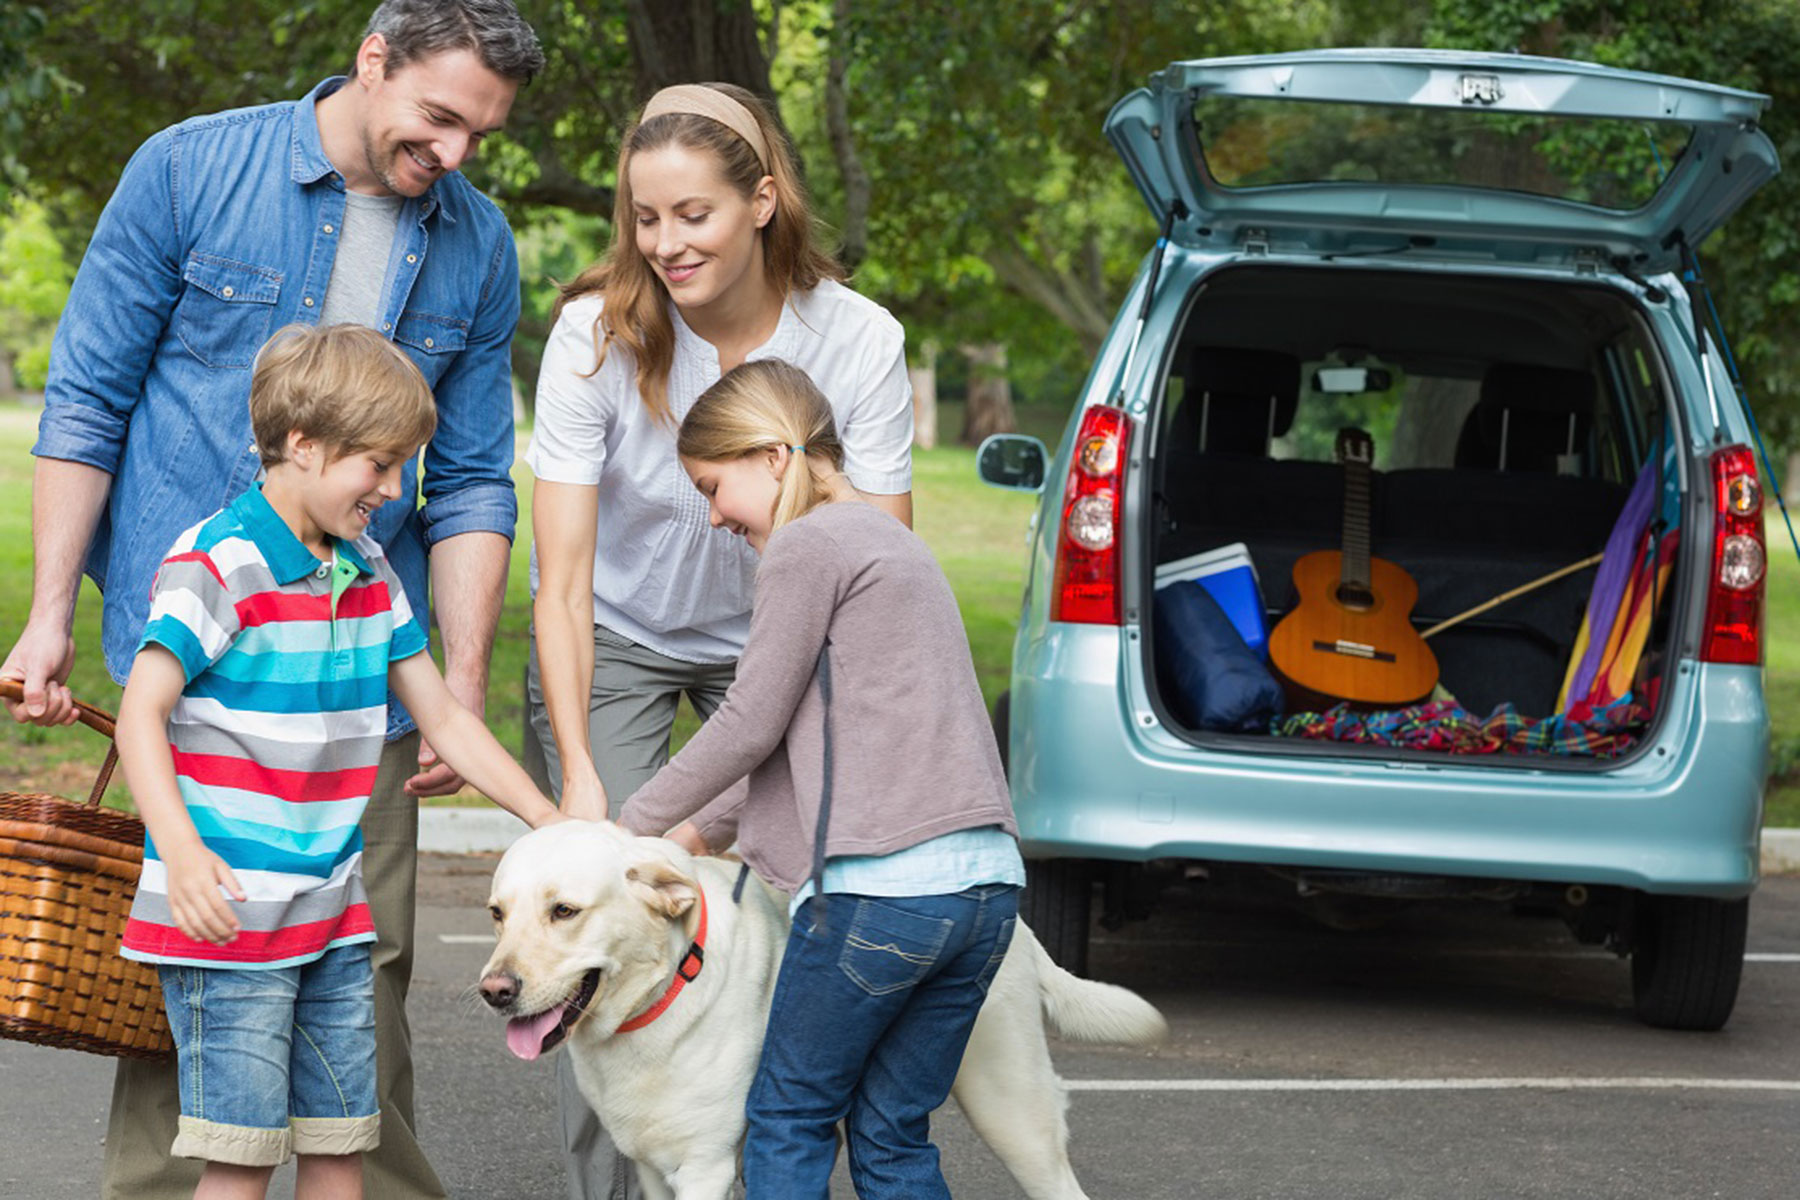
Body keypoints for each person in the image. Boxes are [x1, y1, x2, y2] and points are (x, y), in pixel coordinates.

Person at [0, 3, 544, 1196]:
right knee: (188, 968)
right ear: (370, 61)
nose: (453, 153)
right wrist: (47, 613)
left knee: (368, 965)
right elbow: (86, 399)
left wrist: (457, 679)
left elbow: (465, 482)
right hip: (202, 661)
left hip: (363, 659)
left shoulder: (480, 244)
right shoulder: (190, 170)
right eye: (439, 116)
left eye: (480, 134)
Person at [524, 82, 915, 1196]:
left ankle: (766, 1162)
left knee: (797, 900)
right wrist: (585, 780)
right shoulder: (595, 335)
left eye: (691, 214)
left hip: (781, 645)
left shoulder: (857, 337)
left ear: (762, 199)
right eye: (646, 218)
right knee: (594, 922)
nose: (665, 242)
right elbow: (561, 584)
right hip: (625, 639)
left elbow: (870, 585)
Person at [115, 324, 563, 1200]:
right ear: (304, 445)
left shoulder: (365, 572)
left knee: (338, 1143)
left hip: (330, 913)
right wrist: (182, 850)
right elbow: (142, 712)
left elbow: (443, 717)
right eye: (379, 465)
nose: (395, 491)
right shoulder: (218, 562)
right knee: (240, 1157)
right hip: (229, 921)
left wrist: (549, 820)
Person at [616, 359, 1025, 1200]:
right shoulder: (892, 543)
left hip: (881, 895)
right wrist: (688, 837)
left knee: (789, 1114)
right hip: (985, 890)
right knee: (889, 1129)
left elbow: (748, 721)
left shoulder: (808, 545)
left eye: (713, 485)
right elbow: (801, 737)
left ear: (772, 457)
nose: (715, 515)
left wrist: (625, 826)